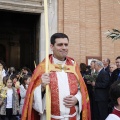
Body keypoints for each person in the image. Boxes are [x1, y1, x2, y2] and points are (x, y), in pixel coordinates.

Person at [21, 33, 91, 120]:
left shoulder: (73, 66)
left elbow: (82, 90)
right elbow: (31, 96)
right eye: (60, 45)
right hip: (50, 117)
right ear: (51, 46)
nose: (64, 47)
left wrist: (77, 99)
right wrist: (42, 87)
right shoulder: (43, 67)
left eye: (66, 44)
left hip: (73, 117)